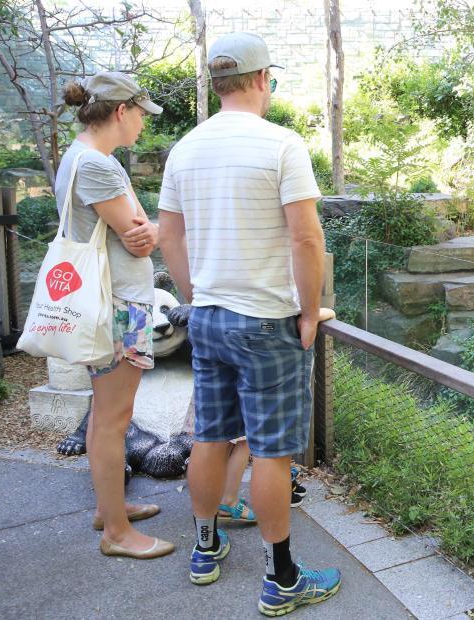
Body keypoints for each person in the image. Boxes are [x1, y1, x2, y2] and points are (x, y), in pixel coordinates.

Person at [158, 32, 340, 615]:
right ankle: (282, 579)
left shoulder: (184, 148)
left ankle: (205, 550)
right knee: (271, 452)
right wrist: (308, 311)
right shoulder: (282, 144)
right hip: (267, 322)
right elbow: (306, 237)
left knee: (210, 437)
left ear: (218, 85)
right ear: (263, 80)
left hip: (208, 317)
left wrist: (198, 295)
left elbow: (170, 238)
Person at [57, 72, 174, 559]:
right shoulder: (97, 166)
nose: (144, 125)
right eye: (142, 115)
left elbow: (137, 230)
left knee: (105, 413)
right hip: (120, 307)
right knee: (113, 417)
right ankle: (117, 535)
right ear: (122, 111)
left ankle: (112, 510)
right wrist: (169, 224)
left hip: (111, 304)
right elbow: (139, 234)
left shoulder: (81, 156)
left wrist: (151, 227)